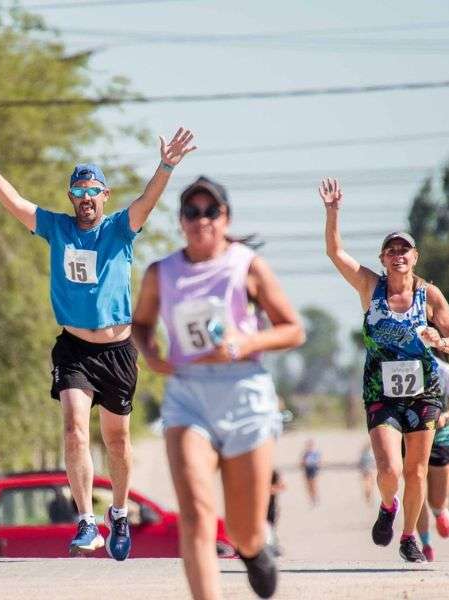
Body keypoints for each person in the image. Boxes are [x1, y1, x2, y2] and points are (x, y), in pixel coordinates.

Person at [0, 123, 196, 559]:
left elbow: (147, 200)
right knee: (73, 428)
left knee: (117, 442)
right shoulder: (56, 229)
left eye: (93, 191)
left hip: (118, 351)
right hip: (75, 349)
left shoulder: (120, 229)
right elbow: (15, 203)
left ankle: (118, 511)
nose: (86, 199)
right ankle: (86, 520)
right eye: (79, 192)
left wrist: (166, 165)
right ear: (71, 198)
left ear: (104, 196)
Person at [132, 176, 304, 599]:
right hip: (188, 396)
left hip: (244, 391)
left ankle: (254, 548)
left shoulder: (247, 265)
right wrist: (150, 352)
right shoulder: (161, 272)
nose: (202, 220)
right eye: (192, 212)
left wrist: (247, 343)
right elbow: (140, 324)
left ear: (226, 218)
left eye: (211, 211)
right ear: (181, 221)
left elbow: (293, 330)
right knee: (196, 516)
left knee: (242, 530)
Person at [318, 178, 449, 563]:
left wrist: (442, 342)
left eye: (404, 250)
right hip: (381, 392)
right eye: (391, 250)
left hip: (424, 392)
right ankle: (388, 506)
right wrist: (333, 211)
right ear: (383, 259)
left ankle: (409, 537)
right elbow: (335, 252)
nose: (398, 255)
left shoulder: (428, 294)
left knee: (416, 472)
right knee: (388, 469)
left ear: (415, 257)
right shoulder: (371, 287)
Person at [415, 355, 449, 561]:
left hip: (440, 438)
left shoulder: (442, 368)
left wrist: (446, 416)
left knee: (436, 499)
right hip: (411, 437)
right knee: (415, 489)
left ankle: (439, 511)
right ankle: (425, 544)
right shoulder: (397, 362)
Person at [267, 469, 286, 556]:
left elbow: (282, 486)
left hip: (271, 506)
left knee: (271, 526)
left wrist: (271, 489)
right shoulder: (257, 472)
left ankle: (273, 547)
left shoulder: (274, 472)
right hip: (259, 505)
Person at [300, 439, 322, 506]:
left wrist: (317, 468)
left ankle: (315, 498)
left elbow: (319, 462)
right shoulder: (305, 454)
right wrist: (303, 463)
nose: (309, 446)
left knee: (313, 484)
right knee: (308, 485)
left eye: (310, 445)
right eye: (308, 445)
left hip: (313, 469)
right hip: (307, 469)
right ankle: (311, 498)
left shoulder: (316, 453)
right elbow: (302, 462)